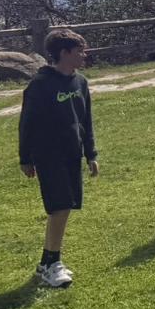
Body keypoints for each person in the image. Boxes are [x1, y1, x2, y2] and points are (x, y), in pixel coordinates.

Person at [18, 28, 98, 288]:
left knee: (66, 206)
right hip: (48, 154)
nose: (84, 55)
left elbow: (86, 120)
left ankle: (46, 263)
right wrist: (25, 158)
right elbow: (27, 123)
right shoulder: (40, 85)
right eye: (79, 51)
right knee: (59, 206)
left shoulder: (80, 83)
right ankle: (53, 264)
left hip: (72, 153)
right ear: (64, 53)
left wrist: (90, 153)